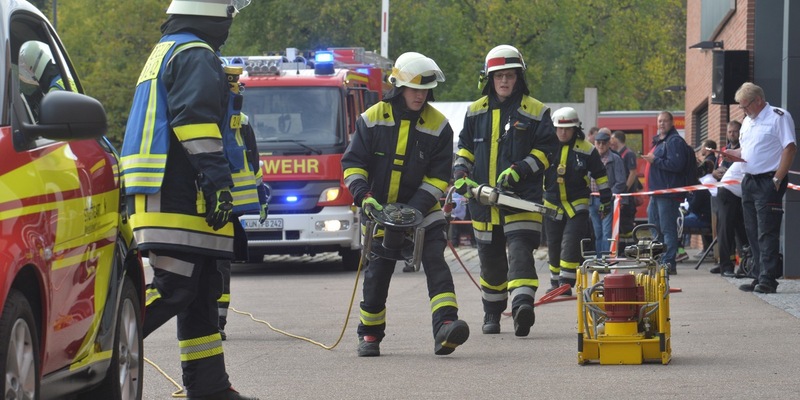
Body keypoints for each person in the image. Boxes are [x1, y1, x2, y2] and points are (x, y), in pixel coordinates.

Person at [119, 1, 259, 399]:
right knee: (175, 286)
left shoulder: (171, 48)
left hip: (176, 192)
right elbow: (194, 120)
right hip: (177, 194)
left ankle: (210, 388)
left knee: (200, 292)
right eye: (230, 12)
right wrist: (217, 180)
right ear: (212, 11)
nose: (231, 21)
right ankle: (101, 350)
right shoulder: (194, 53)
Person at [342, 51, 469, 356]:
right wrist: (365, 197)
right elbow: (353, 164)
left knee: (436, 261)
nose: (420, 96)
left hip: (424, 210)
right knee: (377, 272)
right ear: (399, 87)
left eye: (425, 90)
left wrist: (413, 209)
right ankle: (370, 336)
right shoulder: (372, 118)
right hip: (380, 208)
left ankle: (446, 327)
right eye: (414, 89)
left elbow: (439, 177)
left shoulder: (439, 125)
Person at [452, 44, 557, 336]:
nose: (504, 82)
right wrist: (460, 173)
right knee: (490, 257)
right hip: (483, 201)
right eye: (499, 77)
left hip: (522, 199)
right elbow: (465, 149)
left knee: (521, 249)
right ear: (489, 78)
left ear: (518, 77)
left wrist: (520, 169)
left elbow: (547, 151)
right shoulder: (475, 112)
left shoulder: (535, 111)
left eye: (510, 76)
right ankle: (492, 312)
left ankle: (523, 305)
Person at [725, 82, 796, 294]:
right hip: (749, 179)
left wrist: (777, 178)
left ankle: (768, 279)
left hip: (768, 180)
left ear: (758, 100)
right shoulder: (748, 121)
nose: (743, 110)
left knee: (767, 230)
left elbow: (790, 147)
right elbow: (747, 151)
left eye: (745, 105)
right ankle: (757, 274)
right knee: (752, 230)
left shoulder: (778, 117)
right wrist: (727, 154)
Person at [217, 64, 270, 341]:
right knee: (213, 262)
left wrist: (260, 196)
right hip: (207, 203)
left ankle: (219, 321)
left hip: (229, 206)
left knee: (222, 262)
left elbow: (253, 163)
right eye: (233, 85)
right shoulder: (205, 115)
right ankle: (211, 319)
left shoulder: (242, 121)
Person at [543, 107, 611, 295]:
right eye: (559, 128)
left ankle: (566, 283)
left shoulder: (587, 149)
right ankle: (555, 282)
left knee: (570, 242)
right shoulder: (545, 147)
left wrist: (606, 199)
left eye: (568, 129)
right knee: (554, 242)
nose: (563, 132)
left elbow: (600, 175)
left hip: (576, 205)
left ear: (576, 129)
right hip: (551, 204)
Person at [641, 111, 690, 275]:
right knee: (655, 228)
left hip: (667, 194)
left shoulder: (674, 141)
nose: (661, 124)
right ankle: (658, 260)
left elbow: (677, 165)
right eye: (659, 121)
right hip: (656, 194)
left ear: (672, 123)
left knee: (667, 229)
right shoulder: (660, 142)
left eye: (664, 121)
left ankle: (668, 263)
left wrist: (655, 160)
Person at [588, 130, 626, 254]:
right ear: (594, 143)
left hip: (607, 200)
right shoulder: (591, 158)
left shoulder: (615, 159)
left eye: (604, 143)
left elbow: (621, 182)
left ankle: (606, 260)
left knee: (606, 231)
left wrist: (608, 195)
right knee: (597, 231)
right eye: (598, 143)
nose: (601, 146)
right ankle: (600, 260)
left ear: (609, 144)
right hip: (592, 199)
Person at [711, 161, 747, 276]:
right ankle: (725, 266)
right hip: (728, 193)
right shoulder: (749, 153)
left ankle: (746, 265)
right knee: (726, 232)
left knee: (742, 232)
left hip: (738, 196)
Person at [610, 130, 641, 235]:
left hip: (626, 196)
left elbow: (633, 173)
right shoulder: (618, 154)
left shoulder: (629, 154)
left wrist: (624, 189)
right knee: (620, 223)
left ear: (616, 139)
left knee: (626, 223)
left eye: (612, 138)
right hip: (621, 195)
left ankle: (629, 246)